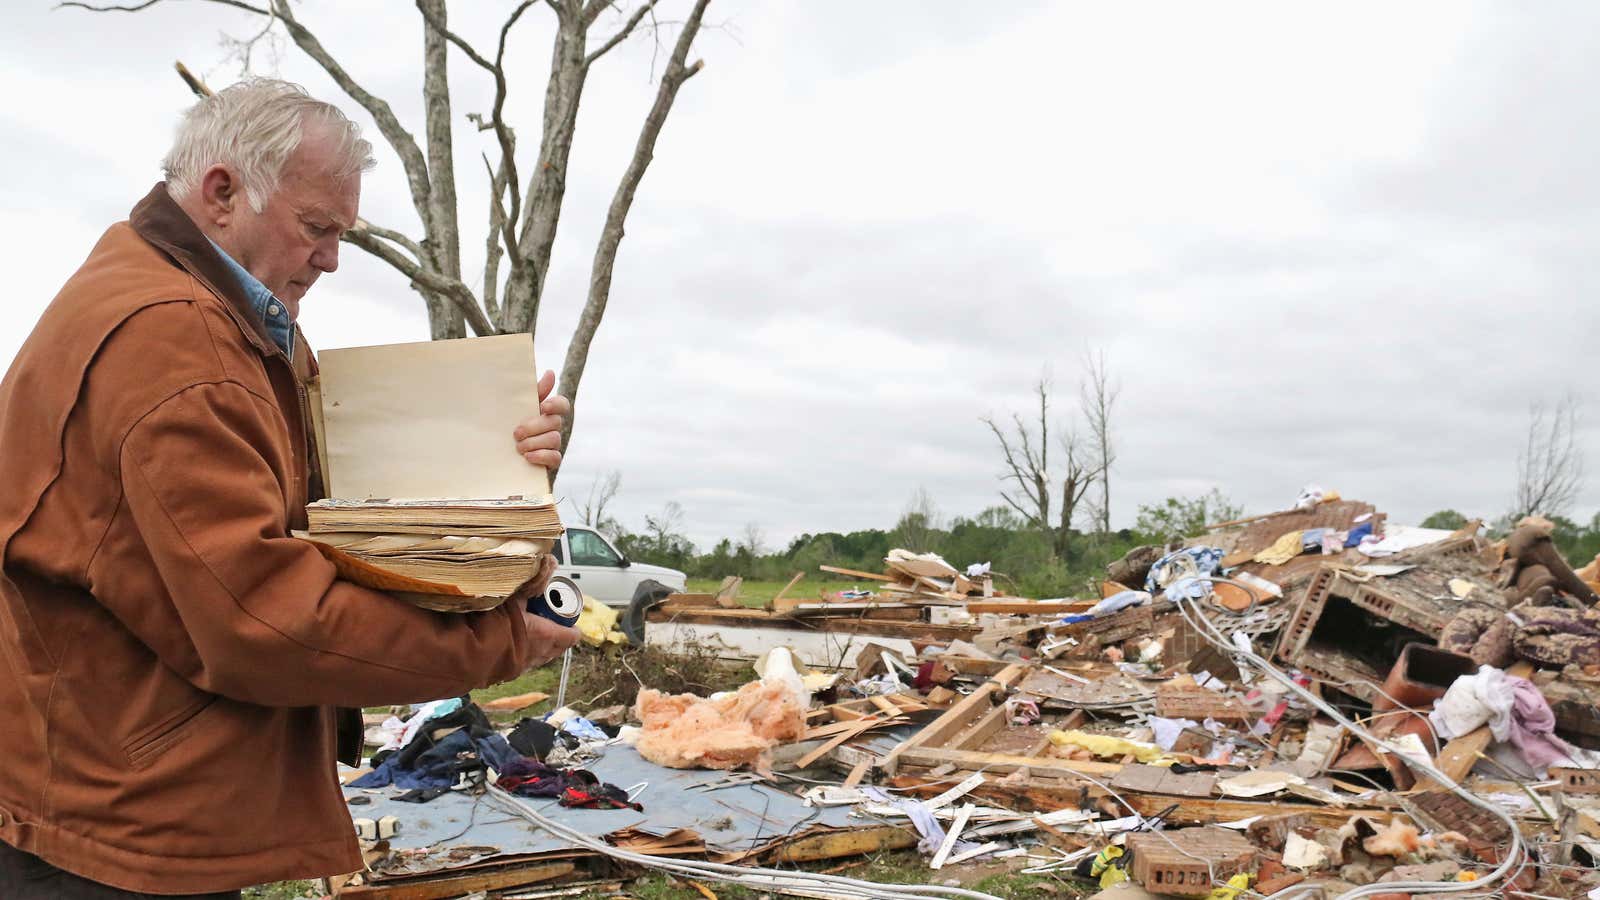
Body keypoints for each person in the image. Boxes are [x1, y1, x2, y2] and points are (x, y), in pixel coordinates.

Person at [0, 78, 580, 898]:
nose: (333, 257)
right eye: (317, 227)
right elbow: (265, 618)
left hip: (119, 786)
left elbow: (327, 506)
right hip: (124, 825)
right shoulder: (178, 343)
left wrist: (498, 466)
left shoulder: (213, 320)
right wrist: (501, 641)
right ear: (223, 192)